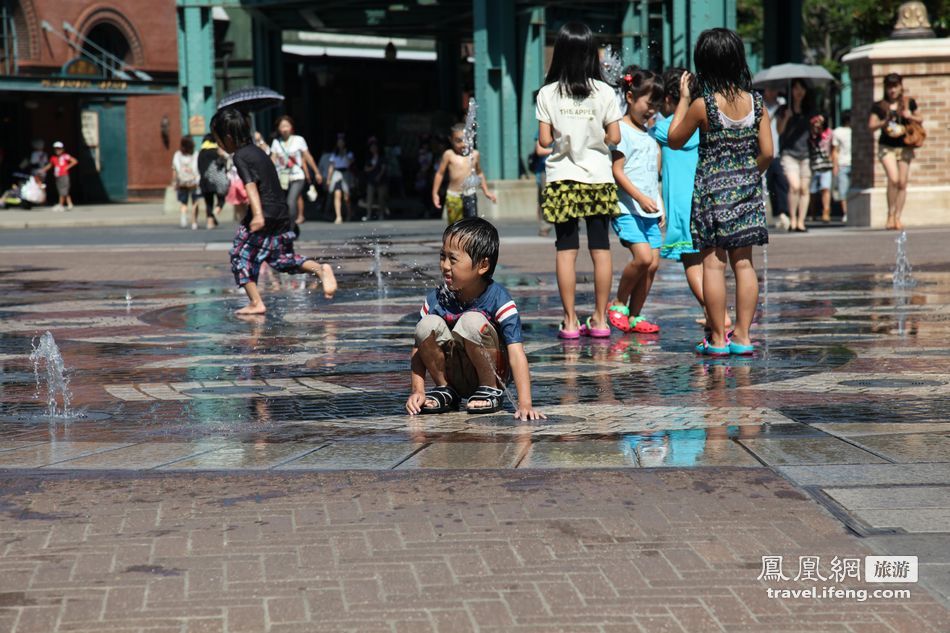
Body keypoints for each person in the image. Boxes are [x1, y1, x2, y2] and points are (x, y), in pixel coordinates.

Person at [667, 28, 772, 356]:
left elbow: (674, 139)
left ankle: (716, 339)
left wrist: (684, 100)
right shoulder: (757, 103)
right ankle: (742, 337)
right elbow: (767, 152)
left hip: (712, 192)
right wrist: (747, 176)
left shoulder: (703, 105)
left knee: (713, 264)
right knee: (744, 263)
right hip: (747, 189)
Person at [405, 218, 544, 420]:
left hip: (494, 373)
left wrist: (525, 404)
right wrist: (417, 390)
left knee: (471, 321)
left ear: (483, 265)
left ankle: (489, 389)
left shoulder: (498, 298)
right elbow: (418, 348)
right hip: (455, 373)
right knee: (425, 325)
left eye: (453, 260)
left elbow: (516, 352)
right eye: (442, 256)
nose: (444, 266)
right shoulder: (436, 299)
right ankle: (446, 389)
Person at [535, 22, 621, 339]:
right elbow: (614, 136)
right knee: (601, 249)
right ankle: (599, 320)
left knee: (566, 250)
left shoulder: (547, 93)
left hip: (562, 178)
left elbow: (544, 141)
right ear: (590, 54)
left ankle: (570, 321)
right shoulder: (606, 92)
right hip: (598, 176)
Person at [210, 108, 337, 314]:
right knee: (280, 259)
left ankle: (255, 302)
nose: (219, 144)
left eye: (218, 139)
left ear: (228, 138)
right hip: (281, 213)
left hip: (264, 213)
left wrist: (258, 214)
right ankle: (320, 270)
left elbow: (250, 185)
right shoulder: (258, 151)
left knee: (239, 255)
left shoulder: (240, 156)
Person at [654, 67, 731, 331]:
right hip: (706, 201)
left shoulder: (665, 128)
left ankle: (717, 314)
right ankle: (714, 314)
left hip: (680, 205)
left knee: (691, 263)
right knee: (710, 263)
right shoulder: (703, 123)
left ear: (668, 99)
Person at [606, 67, 664, 336]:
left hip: (649, 209)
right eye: (648, 104)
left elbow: (654, 175)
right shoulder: (623, 131)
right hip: (627, 208)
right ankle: (618, 303)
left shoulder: (650, 134)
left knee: (653, 263)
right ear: (630, 97)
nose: (652, 111)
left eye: (657, 106)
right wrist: (640, 198)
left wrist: (658, 202)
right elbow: (617, 172)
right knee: (641, 258)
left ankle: (636, 314)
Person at [869, 73, 923, 231]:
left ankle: (898, 216)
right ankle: (890, 214)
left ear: (900, 86)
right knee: (893, 179)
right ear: (885, 88)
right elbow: (871, 125)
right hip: (887, 145)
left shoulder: (908, 103)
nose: (892, 90)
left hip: (905, 145)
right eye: (889, 86)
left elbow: (921, 118)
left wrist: (910, 115)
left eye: (895, 86)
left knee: (902, 182)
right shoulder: (880, 106)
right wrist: (883, 122)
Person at [432, 123, 497, 224]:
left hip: (470, 193)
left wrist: (486, 191)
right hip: (453, 195)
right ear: (451, 140)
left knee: (472, 224)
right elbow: (440, 174)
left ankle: (469, 239)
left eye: (467, 140)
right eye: (458, 141)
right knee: (454, 226)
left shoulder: (475, 154)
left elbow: (479, 173)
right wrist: (435, 193)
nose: (463, 144)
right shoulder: (449, 155)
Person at [776, 78, 814, 232]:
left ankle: (801, 221)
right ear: (791, 91)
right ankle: (792, 220)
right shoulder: (784, 109)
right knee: (794, 186)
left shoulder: (810, 110)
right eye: (796, 88)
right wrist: (786, 117)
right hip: (789, 153)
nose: (799, 92)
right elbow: (779, 131)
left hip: (806, 153)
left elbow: (815, 132)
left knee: (804, 189)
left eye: (801, 88)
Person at [271, 115, 321, 226]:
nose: (284, 129)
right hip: (282, 178)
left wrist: (317, 172)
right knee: (282, 203)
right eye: (282, 126)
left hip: (297, 176)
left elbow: (308, 157)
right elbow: (272, 160)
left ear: (291, 127)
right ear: (278, 128)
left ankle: (291, 227)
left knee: (291, 200)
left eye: (287, 126)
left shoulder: (299, 140)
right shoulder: (276, 142)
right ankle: (284, 225)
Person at [762, 87, 790, 230]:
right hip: (762, 152)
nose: (772, 92)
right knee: (767, 184)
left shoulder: (783, 105)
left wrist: (784, 114)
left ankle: (782, 213)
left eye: (774, 89)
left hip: (777, 152)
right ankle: (768, 215)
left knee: (780, 183)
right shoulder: (759, 104)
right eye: (769, 89)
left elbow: (780, 129)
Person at [198, 135, 228, 229]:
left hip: (204, 181)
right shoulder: (216, 152)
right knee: (221, 199)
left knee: (208, 203)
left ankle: (209, 223)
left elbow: (199, 168)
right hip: (217, 181)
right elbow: (225, 162)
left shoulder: (201, 153)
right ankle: (215, 213)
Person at [808, 113, 833, 223]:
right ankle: (812, 212)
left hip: (826, 165)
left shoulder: (829, 133)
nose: (819, 124)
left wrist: (835, 164)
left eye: (821, 122)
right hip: (813, 166)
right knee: (812, 191)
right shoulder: (810, 135)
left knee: (825, 189)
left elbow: (834, 149)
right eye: (816, 122)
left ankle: (826, 212)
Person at [172, 136, 201, 230]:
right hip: (193, 182)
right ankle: (194, 222)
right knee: (195, 202)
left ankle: (183, 218)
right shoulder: (196, 154)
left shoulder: (177, 155)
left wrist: (174, 182)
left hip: (182, 182)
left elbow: (175, 170)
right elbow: (198, 169)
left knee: (184, 202)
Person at [42, 141, 78, 212]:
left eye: (59, 149)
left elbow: (74, 161)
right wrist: (43, 170)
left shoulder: (65, 156)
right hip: (57, 176)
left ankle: (60, 205)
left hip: (64, 175)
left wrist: (67, 167)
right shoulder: (53, 158)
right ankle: (70, 204)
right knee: (63, 190)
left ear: (62, 149)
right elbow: (50, 165)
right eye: (56, 149)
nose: (57, 150)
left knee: (63, 190)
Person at [326, 134, 354, 224]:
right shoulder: (334, 154)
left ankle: (349, 214)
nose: (340, 143)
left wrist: (344, 153)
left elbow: (349, 164)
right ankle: (338, 216)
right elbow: (331, 166)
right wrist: (329, 179)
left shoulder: (349, 153)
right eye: (339, 142)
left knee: (346, 197)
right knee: (337, 194)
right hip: (337, 174)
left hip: (346, 173)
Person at [832, 110, 852, 223]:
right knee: (843, 191)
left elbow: (834, 150)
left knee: (845, 190)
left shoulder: (838, 131)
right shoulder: (838, 132)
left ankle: (848, 213)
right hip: (843, 164)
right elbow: (835, 150)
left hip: (848, 164)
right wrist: (835, 165)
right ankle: (846, 213)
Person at [362, 137, 388, 221]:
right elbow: (365, 169)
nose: (373, 149)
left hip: (381, 180)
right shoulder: (369, 158)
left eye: (375, 147)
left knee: (381, 198)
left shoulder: (381, 157)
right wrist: (373, 168)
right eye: (372, 147)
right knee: (369, 197)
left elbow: (383, 168)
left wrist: (379, 176)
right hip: (371, 180)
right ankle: (368, 214)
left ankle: (381, 214)